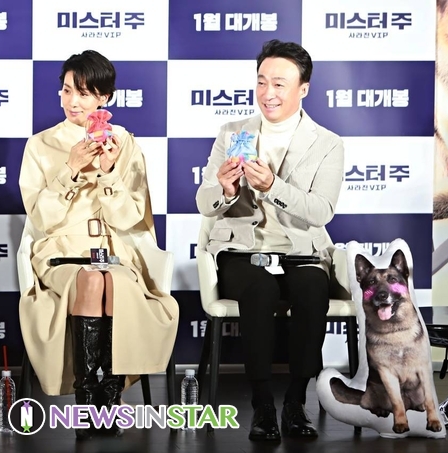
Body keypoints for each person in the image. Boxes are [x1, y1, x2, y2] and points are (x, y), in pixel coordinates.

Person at [18, 50, 179, 440]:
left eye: (85, 93)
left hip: (113, 254)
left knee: (108, 279)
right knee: (92, 279)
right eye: (67, 90)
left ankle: (108, 396)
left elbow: (129, 219)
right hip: (60, 255)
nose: (73, 101)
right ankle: (88, 399)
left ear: (104, 98)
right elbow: (41, 218)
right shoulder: (40, 144)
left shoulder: (124, 144)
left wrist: (108, 173)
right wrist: (71, 170)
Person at [195, 39, 345, 441]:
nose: (268, 93)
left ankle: (295, 401)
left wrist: (273, 186)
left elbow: (321, 211)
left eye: (279, 84)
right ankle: (262, 405)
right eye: (261, 82)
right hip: (241, 250)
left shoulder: (327, 143)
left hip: (299, 251)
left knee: (312, 287)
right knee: (259, 289)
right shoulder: (233, 133)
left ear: (303, 88)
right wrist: (226, 190)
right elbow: (204, 203)